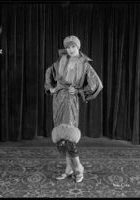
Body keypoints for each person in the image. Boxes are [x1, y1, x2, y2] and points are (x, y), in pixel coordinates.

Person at [45, 35, 103, 183]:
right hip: (58, 100)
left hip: (70, 101)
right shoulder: (60, 61)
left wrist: (79, 91)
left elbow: (96, 84)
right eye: (68, 47)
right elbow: (49, 72)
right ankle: (68, 169)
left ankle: (78, 168)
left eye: (73, 46)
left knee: (69, 136)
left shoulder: (84, 64)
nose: (70, 50)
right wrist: (51, 88)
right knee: (61, 137)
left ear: (78, 47)